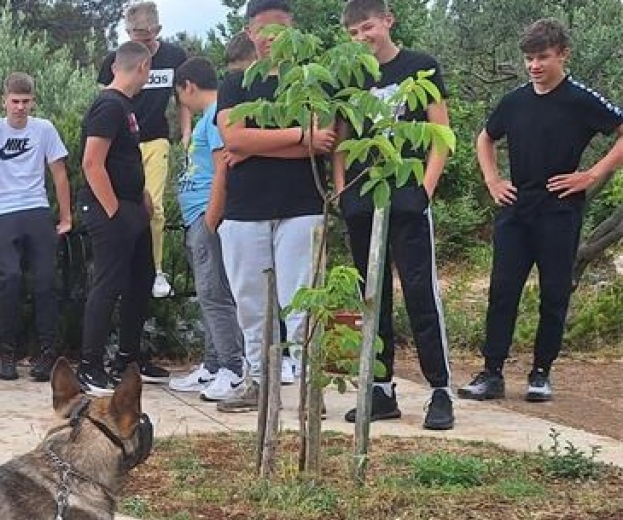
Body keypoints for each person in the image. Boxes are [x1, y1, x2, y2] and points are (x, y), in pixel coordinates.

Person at [461, 18, 623, 403]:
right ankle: (492, 372)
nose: (534, 66)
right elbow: (485, 138)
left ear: (562, 55)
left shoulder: (580, 99)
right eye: (529, 59)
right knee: (502, 291)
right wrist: (493, 180)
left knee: (554, 292)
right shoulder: (514, 100)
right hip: (516, 210)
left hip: (560, 211)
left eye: (542, 57)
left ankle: (540, 373)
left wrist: (592, 174)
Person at [337, 0, 455, 430]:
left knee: (420, 291)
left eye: (367, 27)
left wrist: (425, 188)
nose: (362, 37)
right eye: (353, 33)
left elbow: (441, 132)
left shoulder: (421, 66)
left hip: (406, 195)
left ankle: (440, 390)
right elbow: (341, 138)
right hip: (361, 198)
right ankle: (380, 388)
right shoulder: (350, 76)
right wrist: (341, 190)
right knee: (372, 295)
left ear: (387, 21)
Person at [214, 0, 335, 413]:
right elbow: (233, 139)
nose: (271, 38)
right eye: (263, 29)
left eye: (280, 28)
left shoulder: (311, 81)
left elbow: (324, 142)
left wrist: (257, 145)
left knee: (302, 300)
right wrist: (300, 136)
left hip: (303, 205)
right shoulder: (235, 83)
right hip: (244, 210)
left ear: (293, 29)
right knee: (251, 303)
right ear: (249, 33)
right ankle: (258, 382)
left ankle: (309, 388)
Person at [0, 72, 72, 383]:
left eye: (26, 101)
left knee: (45, 280)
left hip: (36, 207)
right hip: (3, 210)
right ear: (4, 101)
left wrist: (65, 217)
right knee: (10, 279)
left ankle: (48, 352)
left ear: (33, 102)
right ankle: (7, 352)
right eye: (15, 101)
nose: (20, 107)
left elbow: (59, 173)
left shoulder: (44, 129)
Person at [76, 41, 156, 396]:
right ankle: (89, 366)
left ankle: (127, 357)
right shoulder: (109, 105)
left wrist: (141, 195)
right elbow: (92, 162)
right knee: (108, 284)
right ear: (142, 67)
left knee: (141, 278)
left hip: (130, 205)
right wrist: (113, 211)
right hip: (110, 209)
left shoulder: (125, 106)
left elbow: (124, 158)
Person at [98, 1, 189, 299]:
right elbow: (104, 100)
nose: (142, 46)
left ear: (157, 30)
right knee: (126, 206)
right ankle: (125, 267)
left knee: (155, 206)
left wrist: (186, 132)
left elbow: (183, 99)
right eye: (135, 38)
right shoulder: (115, 59)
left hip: (156, 138)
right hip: (124, 143)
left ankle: (156, 269)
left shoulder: (174, 56)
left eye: (147, 39)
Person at [167, 57, 245, 403]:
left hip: (206, 215)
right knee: (208, 293)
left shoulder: (215, 116)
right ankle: (214, 364)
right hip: (197, 215)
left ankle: (232, 368)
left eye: (179, 95)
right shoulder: (207, 118)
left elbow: (221, 169)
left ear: (188, 86)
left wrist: (211, 219)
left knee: (215, 293)